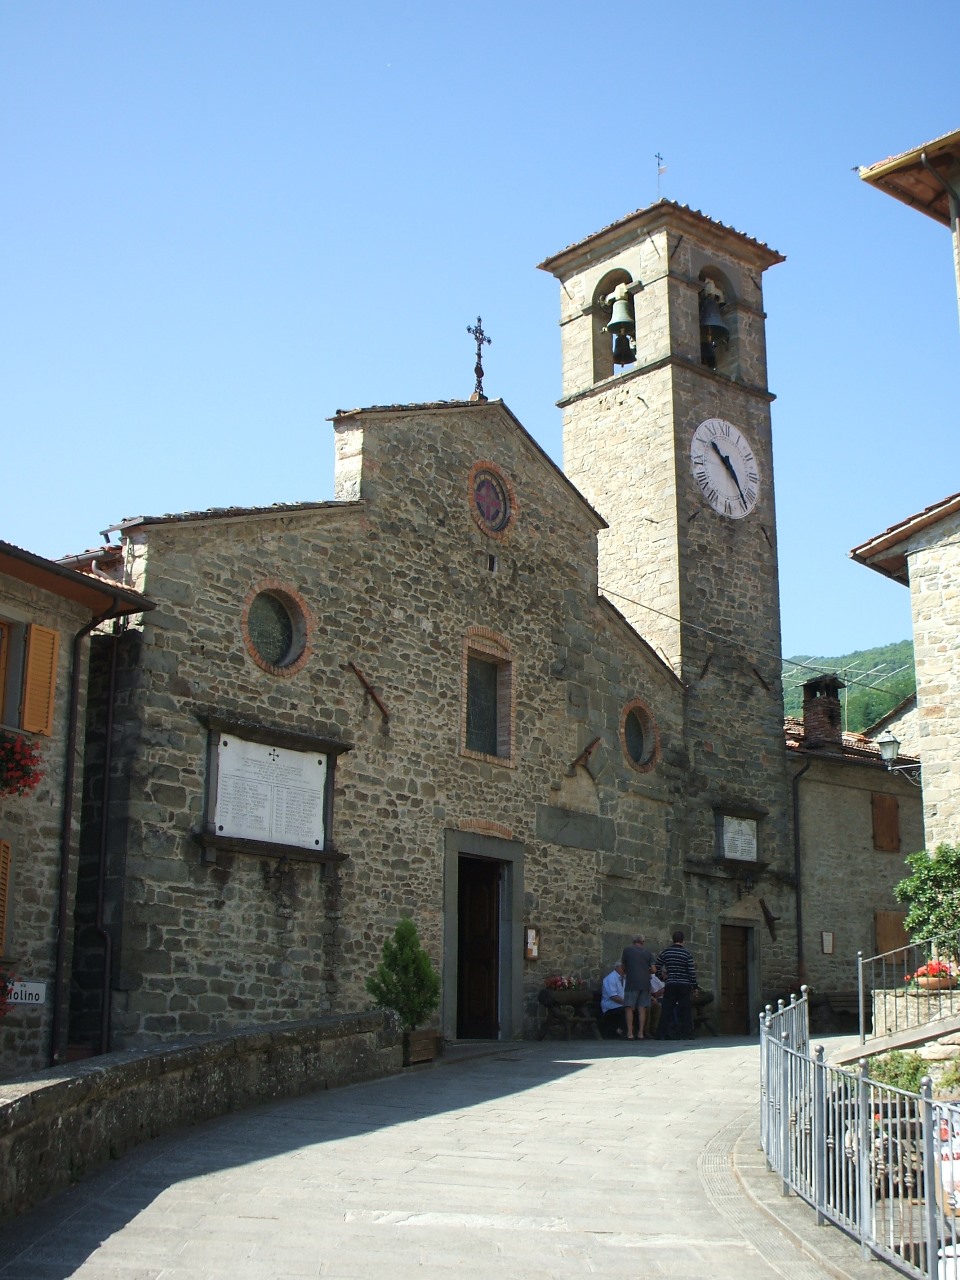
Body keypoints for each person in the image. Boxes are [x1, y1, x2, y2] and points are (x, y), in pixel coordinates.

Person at [656, 930, 698, 1040]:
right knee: (685, 1009)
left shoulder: (666, 952)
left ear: (673, 939)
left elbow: (657, 966)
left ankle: (662, 1033)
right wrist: (695, 986)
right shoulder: (686, 954)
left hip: (671, 983)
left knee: (667, 1009)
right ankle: (686, 1033)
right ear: (683, 940)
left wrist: (662, 976)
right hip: (684, 984)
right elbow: (691, 971)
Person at [620, 933, 656, 1040]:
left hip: (632, 982)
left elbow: (623, 967)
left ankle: (630, 1033)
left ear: (633, 941)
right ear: (643, 942)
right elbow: (654, 970)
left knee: (629, 1007)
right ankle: (640, 1033)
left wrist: (628, 971)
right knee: (642, 1008)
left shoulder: (627, 951)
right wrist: (646, 970)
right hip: (645, 983)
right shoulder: (648, 953)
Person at [599, 962, 627, 1038]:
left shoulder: (624, 978)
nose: (624, 970)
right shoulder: (610, 978)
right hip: (610, 1005)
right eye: (623, 968)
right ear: (617, 968)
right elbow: (613, 996)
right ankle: (621, 1031)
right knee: (626, 1009)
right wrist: (627, 1003)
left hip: (621, 1004)